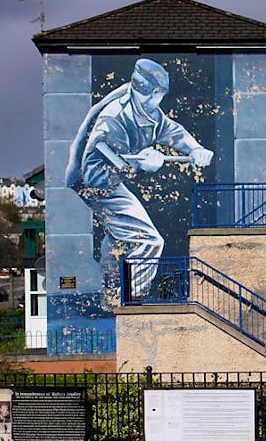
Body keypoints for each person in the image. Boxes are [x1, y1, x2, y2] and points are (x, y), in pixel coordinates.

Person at [65, 58, 214, 297]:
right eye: (137, 85)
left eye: (145, 89)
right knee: (148, 240)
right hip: (92, 180)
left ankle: (111, 294)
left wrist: (194, 149)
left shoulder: (147, 111)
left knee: (119, 237)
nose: (139, 92)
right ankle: (133, 297)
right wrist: (140, 166)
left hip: (103, 176)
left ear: (159, 94)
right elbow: (95, 176)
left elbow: (171, 131)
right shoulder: (114, 120)